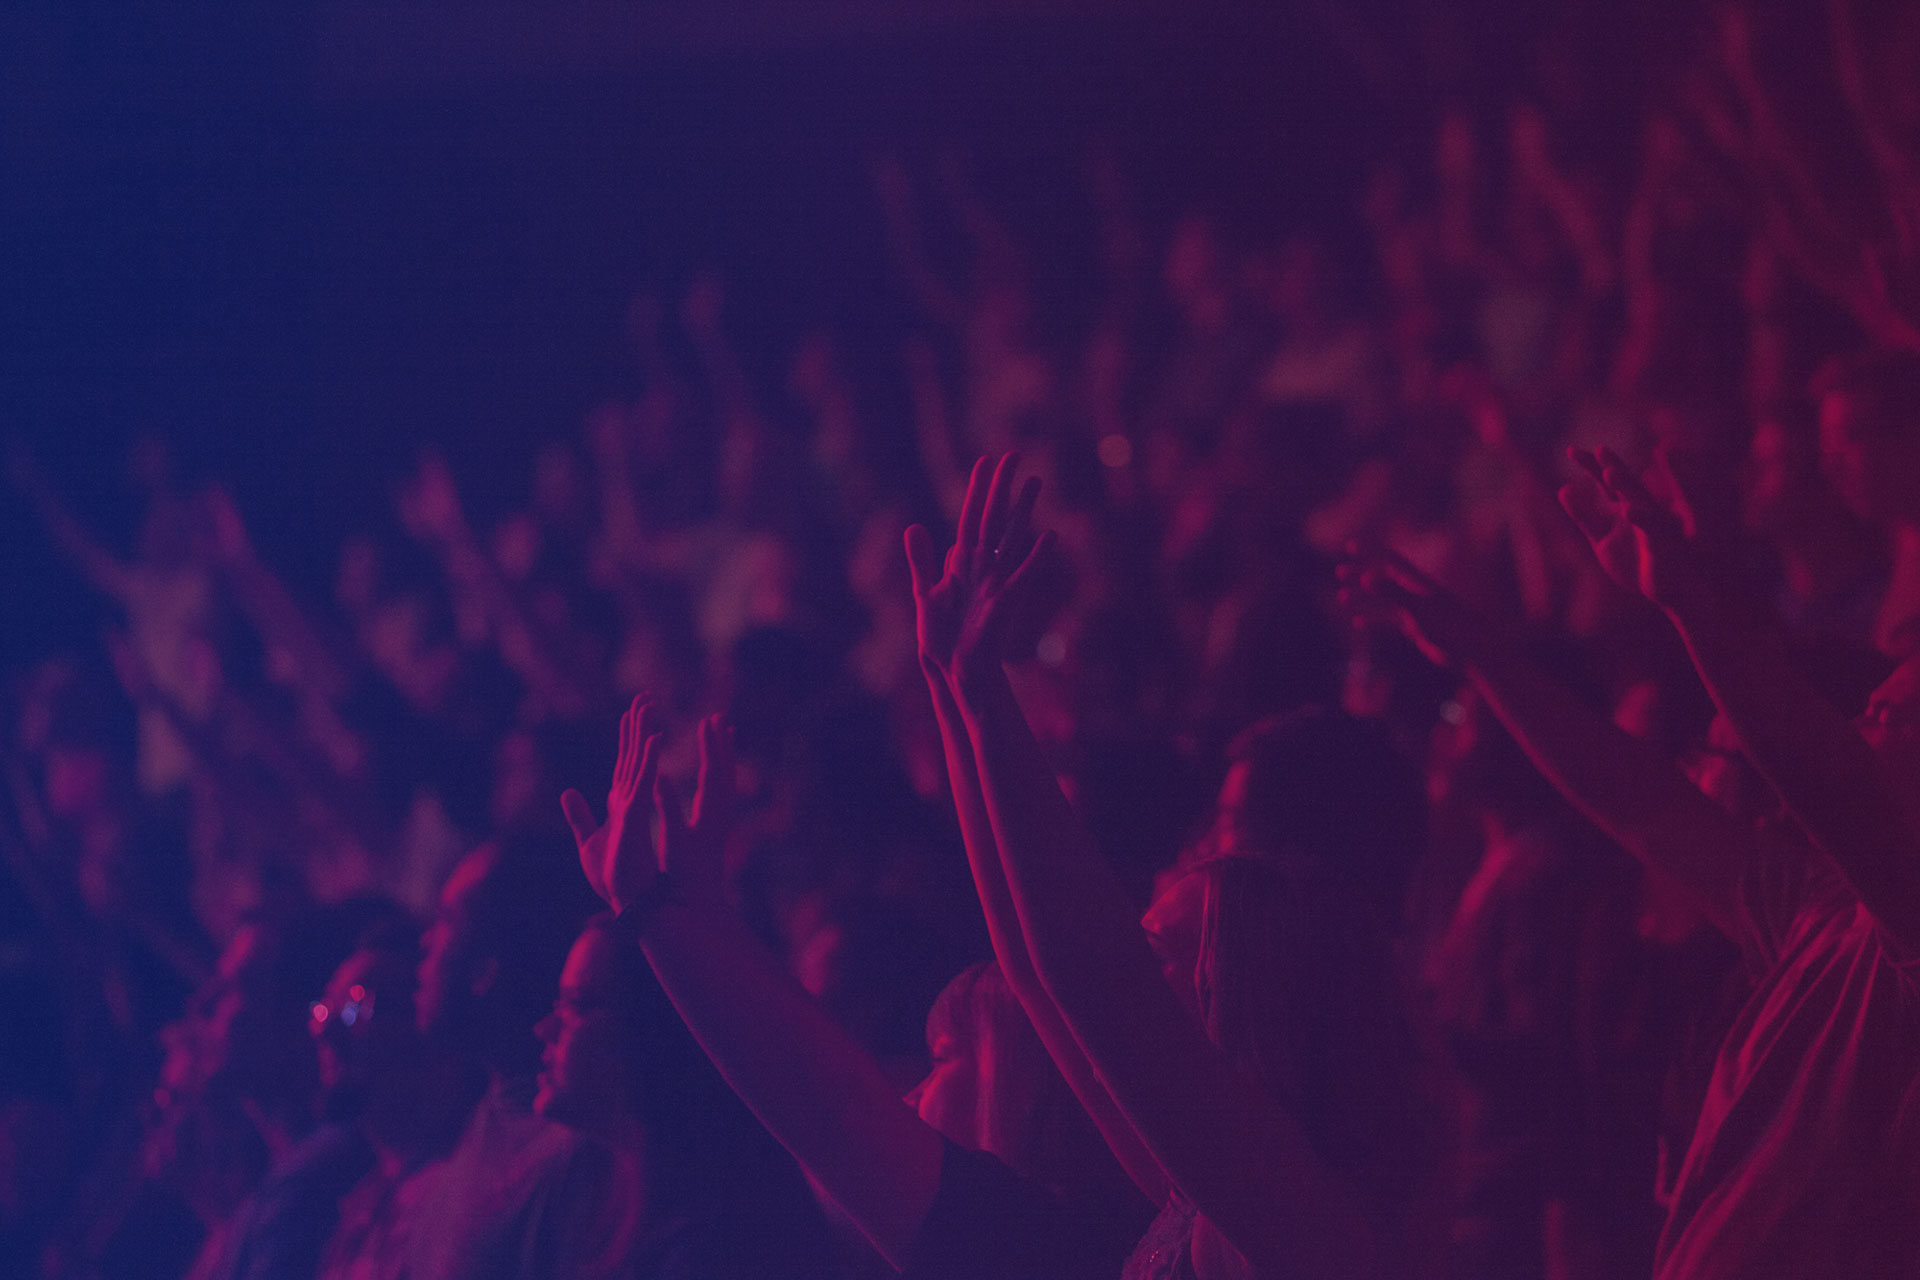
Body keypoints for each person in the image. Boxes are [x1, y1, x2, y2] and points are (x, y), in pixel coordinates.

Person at [1342, 444, 1920, 1277]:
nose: (1862, 727)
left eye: (1893, 718)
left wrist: (1691, 604)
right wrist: (1483, 655)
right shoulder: (1820, 909)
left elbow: (1824, 773)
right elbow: (1641, 804)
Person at [905, 454, 1432, 1279]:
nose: (1132, 959)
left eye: (1159, 952)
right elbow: (1036, 971)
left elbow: (1084, 976)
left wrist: (982, 697)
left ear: (1245, 989)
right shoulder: (1199, 1189)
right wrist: (957, 687)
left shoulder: (1296, 1210)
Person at [559, 705, 1148, 1279]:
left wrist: (653, 911)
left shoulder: (1024, 1250)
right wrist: (700, 914)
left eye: (942, 1057)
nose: (909, 1089)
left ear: (1020, 1090)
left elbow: (830, 1113)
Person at [530, 913, 839, 1277]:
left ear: (654, 1030)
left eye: (577, 1004)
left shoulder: (716, 1244)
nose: (544, 1029)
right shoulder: (594, 1185)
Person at [402, 825, 618, 1280]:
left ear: (487, 969)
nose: (425, 941)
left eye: (446, 920)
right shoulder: (484, 1126)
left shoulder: (573, 1156)